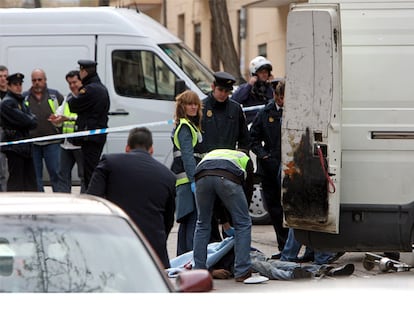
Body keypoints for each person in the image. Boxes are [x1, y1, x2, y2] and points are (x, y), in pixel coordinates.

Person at [87, 127, 176, 269]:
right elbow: (168, 220)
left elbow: (91, 201)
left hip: (117, 246)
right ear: (151, 149)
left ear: (127, 148)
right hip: (154, 252)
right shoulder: (168, 176)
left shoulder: (110, 163)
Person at [200, 71, 250, 242]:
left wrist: (242, 161)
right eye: (220, 90)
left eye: (227, 91)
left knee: (231, 213)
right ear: (213, 87)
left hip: (229, 169)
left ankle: (231, 256)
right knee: (210, 216)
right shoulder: (202, 107)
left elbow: (244, 139)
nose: (223, 95)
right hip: (208, 168)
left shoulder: (235, 109)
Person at [192, 148, 254, 282]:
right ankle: (242, 271)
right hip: (227, 177)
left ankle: (198, 270)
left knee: (202, 224)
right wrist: (238, 217)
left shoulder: (214, 153)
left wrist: (225, 222)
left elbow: (216, 200)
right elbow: (247, 192)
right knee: (243, 223)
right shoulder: (245, 159)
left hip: (201, 177)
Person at [249, 79, 289, 259]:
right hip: (270, 167)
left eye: (284, 98)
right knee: (274, 208)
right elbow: (253, 139)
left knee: (291, 207)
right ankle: (283, 246)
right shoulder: (265, 113)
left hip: (290, 165)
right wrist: (264, 155)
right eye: (279, 98)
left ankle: (293, 247)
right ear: (275, 96)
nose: (282, 102)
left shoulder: (294, 111)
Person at [68, 59, 110, 190]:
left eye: (80, 71)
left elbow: (73, 105)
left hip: (90, 137)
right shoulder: (100, 87)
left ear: (84, 71)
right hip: (95, 136)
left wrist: (72, 96)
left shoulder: (90, 89)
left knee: (89, 172)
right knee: (90, 170)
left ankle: (93, 195)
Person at [170, 90, 203, 256]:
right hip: (187, 182)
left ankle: (183, 259)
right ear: (182, 107)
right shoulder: (185, 127)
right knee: (191, 222)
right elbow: (188, 158)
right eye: (190, 104)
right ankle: (189, 258)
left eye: (195, 103)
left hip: (186, 182)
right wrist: (194, 181)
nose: (193, 107)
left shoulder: (188, 126)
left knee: (187, 221)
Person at [23, 68, 64, 192]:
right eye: (34, 80)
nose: (37, 82)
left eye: (39, 80)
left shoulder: (55, 95)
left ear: (45, 80)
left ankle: (58, 203)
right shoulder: (24, 97)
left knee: (56, 175)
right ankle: (40, 204)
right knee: (36, 177)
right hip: (32, 144)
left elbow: (65, 113)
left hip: (53, 143)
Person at [49, 70, 85, 193]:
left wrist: (68, 118)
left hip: (81, 144)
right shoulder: (68, 97)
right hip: (66, 144)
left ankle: (85, 203)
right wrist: (55, 119)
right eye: (69, 83)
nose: (72, 86)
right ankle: (64, 203)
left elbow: (88, 118)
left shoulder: (87, 96)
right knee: (62, 176)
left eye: (74, 82)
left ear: (81, 81)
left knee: (84, 175)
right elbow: (59, 116)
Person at [0, 73, 38, 191]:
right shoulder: (7, 103)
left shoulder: (20, 101)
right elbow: (27, 121)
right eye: (15, 84)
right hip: (15, 148)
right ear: (9, 86)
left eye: (20, 84)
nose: (18, 87)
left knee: (30, 182)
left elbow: (33, 120)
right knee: (16, 182)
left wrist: (29, 120)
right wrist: (29, 120)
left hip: (25, 147)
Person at [231, 56, 274, 124]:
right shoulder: (247, 88)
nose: (264, 75)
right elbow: (235, 100)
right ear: (255, 74)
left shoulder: (270, 88)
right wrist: (249, 85)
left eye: (266, 72)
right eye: (261, 72)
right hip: (251, 124)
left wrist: (273, 86)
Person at [0, 65, 9, 191]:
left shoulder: (13, 94)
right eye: (0, 76)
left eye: (5, 76)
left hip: (11, 135)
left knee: (8, 172)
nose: (2, 79)